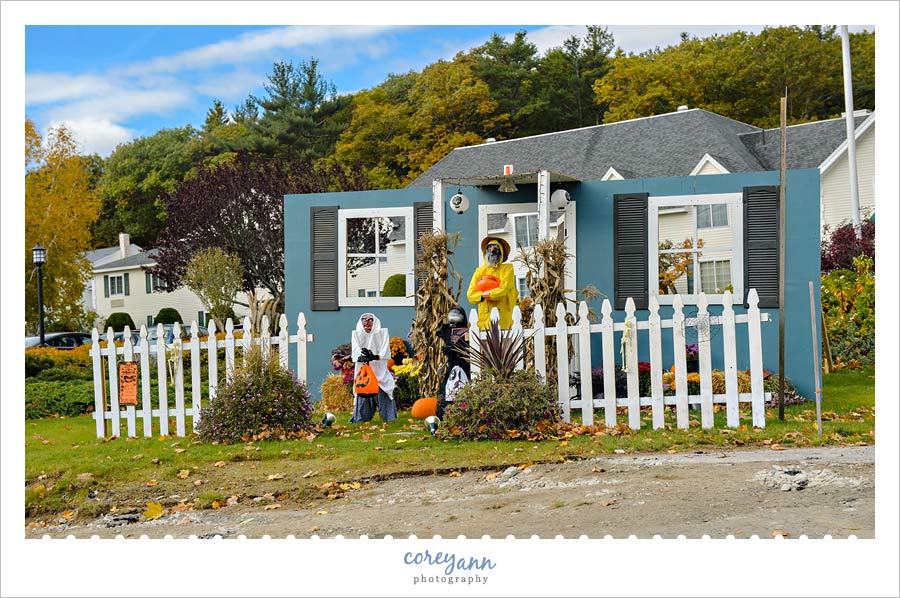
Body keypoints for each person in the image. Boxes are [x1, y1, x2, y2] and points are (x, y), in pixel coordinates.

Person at [349, 313, 398, 423]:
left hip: (379, 372)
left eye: (370, 320)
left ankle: (388, 417)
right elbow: (355, 353)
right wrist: (362, 357)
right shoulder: (357, 334)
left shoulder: (382, 333)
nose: (367, 322)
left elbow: (385, 352)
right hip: (364, 375)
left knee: (384, 392)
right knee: (363, 394)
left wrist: (375, 356)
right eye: (364, 320)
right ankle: (361, 418)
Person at [466, 236, 518, 330]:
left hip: (505, 322)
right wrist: (482, 295)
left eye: (495, 249)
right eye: (489, 249)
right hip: (484, 324)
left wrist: (485, 294)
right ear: (485, 253)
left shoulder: (508, 269)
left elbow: (503, 290)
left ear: (501, 253)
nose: (492, 252)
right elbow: (470, 295)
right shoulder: (479, 271)